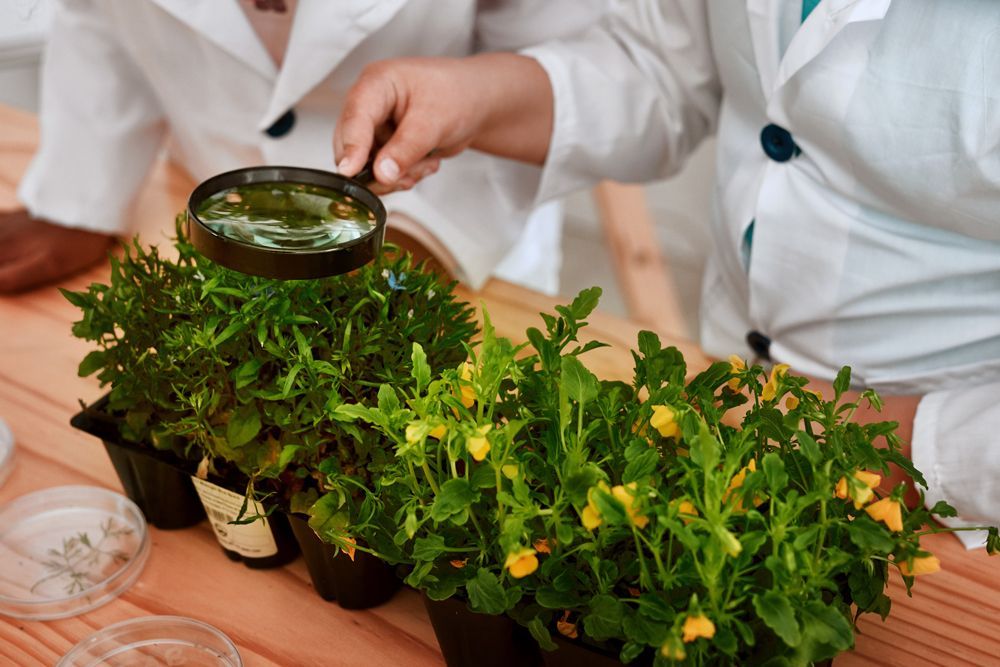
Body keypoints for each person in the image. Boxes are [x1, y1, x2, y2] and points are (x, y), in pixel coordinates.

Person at [332, 1, 1000, 543]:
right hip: (729, 397)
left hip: (944, 496)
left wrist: (906, 444)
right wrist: (473, 96)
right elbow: (663, 67)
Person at [1, 0, 609, 293]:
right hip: (212, 191)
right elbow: (103, 16)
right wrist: (80, 193)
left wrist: (429, 233)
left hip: (459, 213)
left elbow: (565, 63)